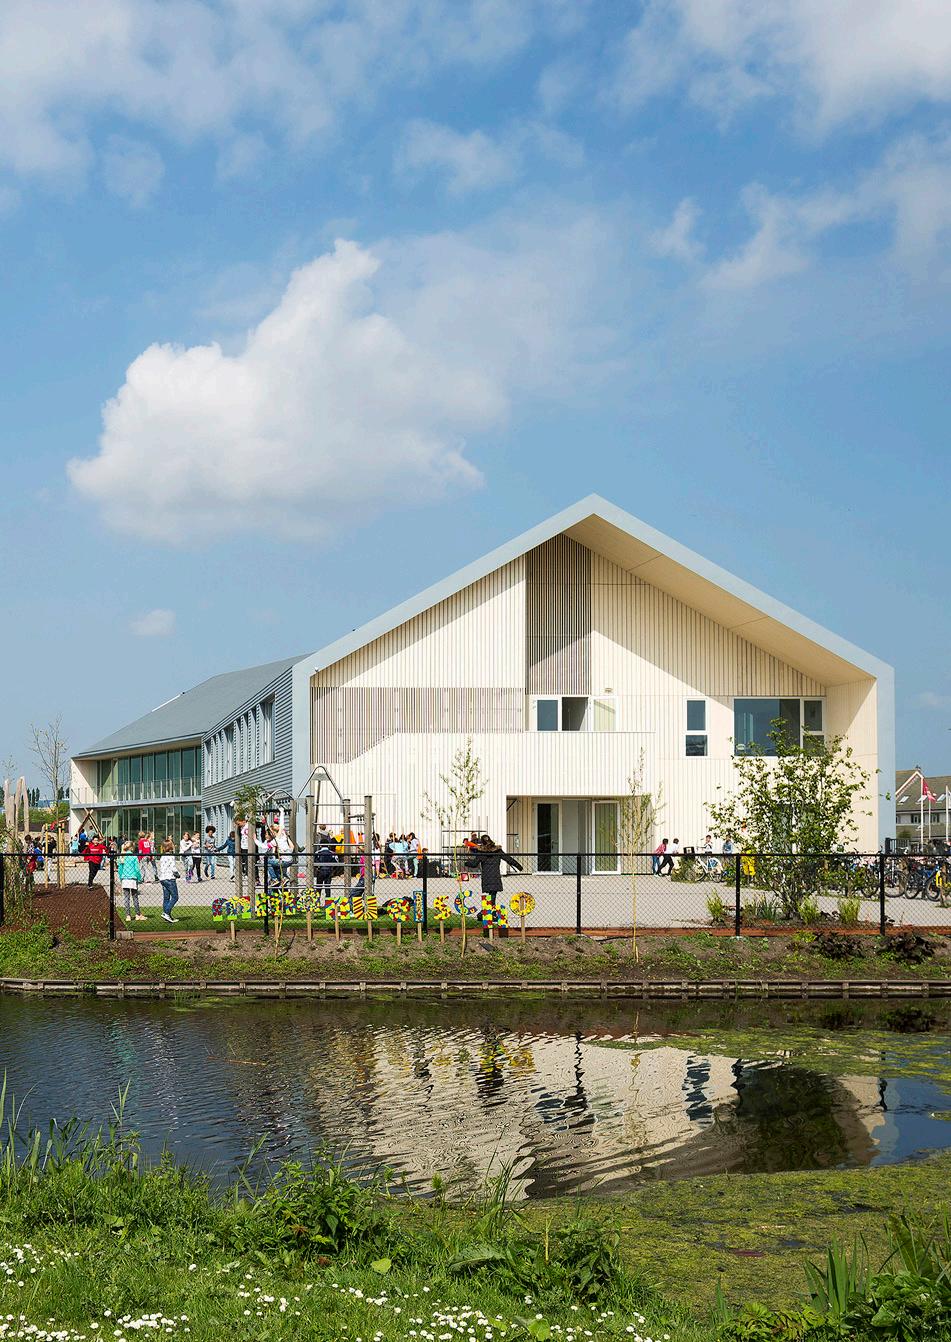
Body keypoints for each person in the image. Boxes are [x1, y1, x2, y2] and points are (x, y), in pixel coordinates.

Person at [470, 835, 522, 936]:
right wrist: (519, 866)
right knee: (492, 895)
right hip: (495, 877)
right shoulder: (498, 851)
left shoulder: (482, 853)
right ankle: (488, 913)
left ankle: (485, 913)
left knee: (490, 896)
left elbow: (474, 864)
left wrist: (465, 862)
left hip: (487, 877)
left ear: (482, 842)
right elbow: (508, 859)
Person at [117, 842, 145, 921]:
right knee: (135, 897)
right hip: (132, 878)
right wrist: (139, 878)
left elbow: (120, 869)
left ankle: (128, 916)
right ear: (132, 848)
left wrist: (121, 877)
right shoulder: (134, 857)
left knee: (126, 897)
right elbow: (137, 869)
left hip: (125, 878)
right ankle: (138, 914)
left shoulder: (122, 857)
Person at [158, 838, 179, 923]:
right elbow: (173, 868)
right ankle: (166, 913)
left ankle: (167, 917)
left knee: (166, 898)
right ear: (170, 847)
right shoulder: (171, 856)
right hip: (170, 879)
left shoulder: (162, 857)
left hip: (163, 878)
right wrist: (177, 874)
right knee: (175, 897)